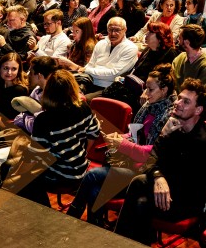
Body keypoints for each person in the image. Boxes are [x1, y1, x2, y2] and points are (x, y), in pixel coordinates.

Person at [67, 65, 177, 225]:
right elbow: (135, 135)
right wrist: (119, 137)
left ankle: (71, 216)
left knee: (91, 176)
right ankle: (94, 227)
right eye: (146, 88)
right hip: (132, 162)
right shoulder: (149, 106)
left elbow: (154, 153)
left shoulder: (170, 116)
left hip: (147, 171)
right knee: (95, 191)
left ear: (164, 90)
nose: (145, 93)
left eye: (150, 89)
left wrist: (122, 144)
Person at [114, 78, 206, 245]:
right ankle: (125, 241)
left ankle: (118, 241)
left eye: (186, 102)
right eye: (179, 98)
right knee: (139, 195)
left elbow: (190, 185)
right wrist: (158, 174)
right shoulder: (175, 126)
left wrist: (160, 175)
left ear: (198, 109)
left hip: (188, 200)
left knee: (139, 189)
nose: (178, 103)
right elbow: (152, 160)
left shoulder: (202, 140)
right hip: (168, 189)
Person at [19, 69, 101, 205]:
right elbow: (94, 133)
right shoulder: (83, 107)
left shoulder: (44, 120)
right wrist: (80, 154)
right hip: (81, 169)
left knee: (18, 175)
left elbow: (33, 158)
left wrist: (18, 172)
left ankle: (44, 212)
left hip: (59, 175)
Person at [99, 21, 178, 114]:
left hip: (147, 91)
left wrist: (147, 90)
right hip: (133, 86)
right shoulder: (147, 50)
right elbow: (135, 69)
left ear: (160, 37)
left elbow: (163, 80)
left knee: (111, 102)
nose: (146, 35)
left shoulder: (170, 53)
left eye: (150, 33)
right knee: (106, 96)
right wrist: (122, 78)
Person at [75, 16, 138, 95]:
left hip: (108, 87)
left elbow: (114, 74)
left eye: (117, 30)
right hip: (89, 81)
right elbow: (90, 64)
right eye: (110, 29)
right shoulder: (101, 43)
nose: (113, 33)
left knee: (82, 101)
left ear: (125, 30)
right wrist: (86, 71)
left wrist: (87, 70)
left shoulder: (130, 48)